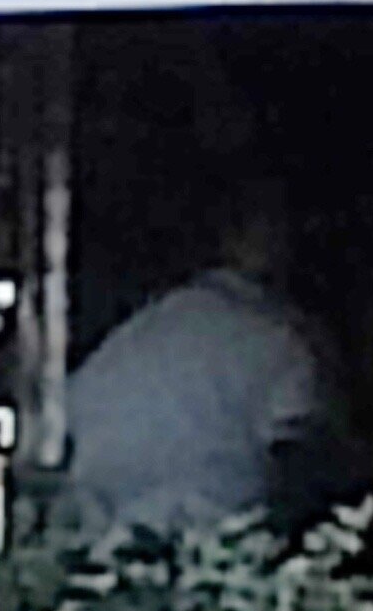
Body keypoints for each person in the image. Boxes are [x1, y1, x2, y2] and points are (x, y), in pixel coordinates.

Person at [61, 186, 353, 540]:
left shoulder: (134, 337)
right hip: (222, 551)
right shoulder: (277, 342)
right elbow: (303, 465)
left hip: (107, 550)